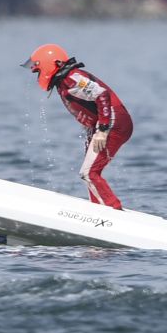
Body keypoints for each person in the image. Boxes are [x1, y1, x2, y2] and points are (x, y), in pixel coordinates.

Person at [21, 43, 132, 210]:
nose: (36, 73)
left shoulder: (72, 78)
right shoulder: (64, 81)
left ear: (53, 63)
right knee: (91, 172)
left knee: (88, 173)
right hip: (104, 125)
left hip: (112, 124)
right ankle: (98, 209)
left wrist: (102, 130)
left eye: (38, 69)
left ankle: (112, 212)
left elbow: (101, 95)